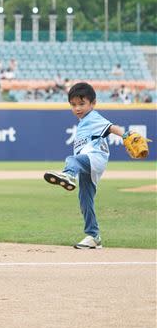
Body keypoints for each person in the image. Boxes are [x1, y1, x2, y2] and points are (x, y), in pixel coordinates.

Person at [43, 82, 129, 249]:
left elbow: (111, 128)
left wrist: (126, 135)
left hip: (94, 157)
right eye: (73, 105)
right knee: (85, 199)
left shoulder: (93, 117)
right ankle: (93, 236)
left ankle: (68, 174)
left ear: (93, 103)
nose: (77, 108)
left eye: (82, 104)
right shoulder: (83, 121)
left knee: (72, 160)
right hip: (90, 163)